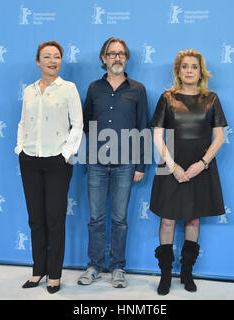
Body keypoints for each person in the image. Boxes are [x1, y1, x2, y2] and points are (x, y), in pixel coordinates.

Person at [150, 49, 227, 295]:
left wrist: (201, 164)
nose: (189, 71)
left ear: (201, 71)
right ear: (178, 71)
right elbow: (157, 136)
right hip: (170, 165)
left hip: (200, 167)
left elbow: (219, 138)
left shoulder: (212, 99)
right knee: (167, 219)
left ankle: (186, 273)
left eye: (194, 67)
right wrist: (172, 167)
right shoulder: (167, 98)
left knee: (194, 218)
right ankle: (165, 276)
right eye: (185, 67)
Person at [78, 37, 149, 288]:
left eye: (121, 54)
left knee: (119, 219)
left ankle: (118, 267)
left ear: (126, 58)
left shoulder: (137, 89)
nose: (117, 58)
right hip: (96, 162)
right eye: (112, 53)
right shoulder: (93, 88)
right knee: (96, 218)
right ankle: (95, 265)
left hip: (126, 164)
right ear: (103, 58)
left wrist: (141, 165)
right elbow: (85, 124)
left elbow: (143, 128)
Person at [15, 41, 83, 294]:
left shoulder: (68, 88)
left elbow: (78, 125)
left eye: (56, 57)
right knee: (36, 219)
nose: (52, 61)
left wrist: (66, 154)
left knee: (54, 219)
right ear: (38, 61)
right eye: (47, 57)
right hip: (30, 159)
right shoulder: (30, 90)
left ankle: (54, 274)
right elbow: (23, 121)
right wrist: (20, 148)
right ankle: (38, 271)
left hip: (57, 161)